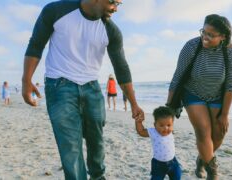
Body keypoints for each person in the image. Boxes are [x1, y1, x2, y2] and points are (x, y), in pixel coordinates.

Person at [21, 0, 144, 179]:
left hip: (92, 88)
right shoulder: (56, 11)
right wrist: (26, 79)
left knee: (97, 141)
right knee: (70, 147)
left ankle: (97, 175)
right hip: (59, 86)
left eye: (119, 4)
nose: (115, 8)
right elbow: (36, 44)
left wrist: (134, 103)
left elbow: (121, 68)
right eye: (113, 2)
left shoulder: (111, 30)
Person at [167, 14, 232, 180]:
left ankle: (203, 159)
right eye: (203, 32)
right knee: (203, 131)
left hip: (217, 96)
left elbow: (230, 87)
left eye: (210, 35)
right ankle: (212, 172)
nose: (204, 38)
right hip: (192, 92)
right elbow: (178, 76)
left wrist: (224, 115)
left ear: (223, 37)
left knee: (219, 134)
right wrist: (169, 106)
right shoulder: (191, 46)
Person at [135, 106, 182, 180]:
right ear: (155, 125)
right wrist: (138, 122)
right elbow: (141, 131)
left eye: (169, 125)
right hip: (158, 165)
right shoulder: (153, 132)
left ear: (172, 124)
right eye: (161, 125)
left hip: (173, 162)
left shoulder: (171, 131)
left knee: (177, 176)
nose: (166, 128)